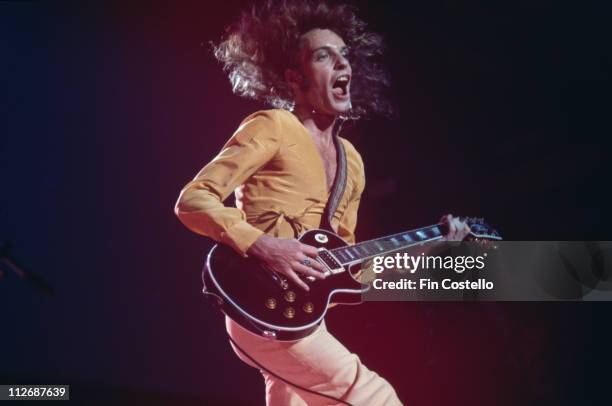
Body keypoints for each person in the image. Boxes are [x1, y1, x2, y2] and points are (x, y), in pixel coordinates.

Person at [175, 1, 470, 404]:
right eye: (323, 56)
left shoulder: (353, 161)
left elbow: (351, 269)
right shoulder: (274, 126)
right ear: (294, 78)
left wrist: (434, 245)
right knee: (373, 396)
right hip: (258, 301)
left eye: (344, 56)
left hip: (300, 316)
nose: (342, 66)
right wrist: (265, 245)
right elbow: (193, 200)